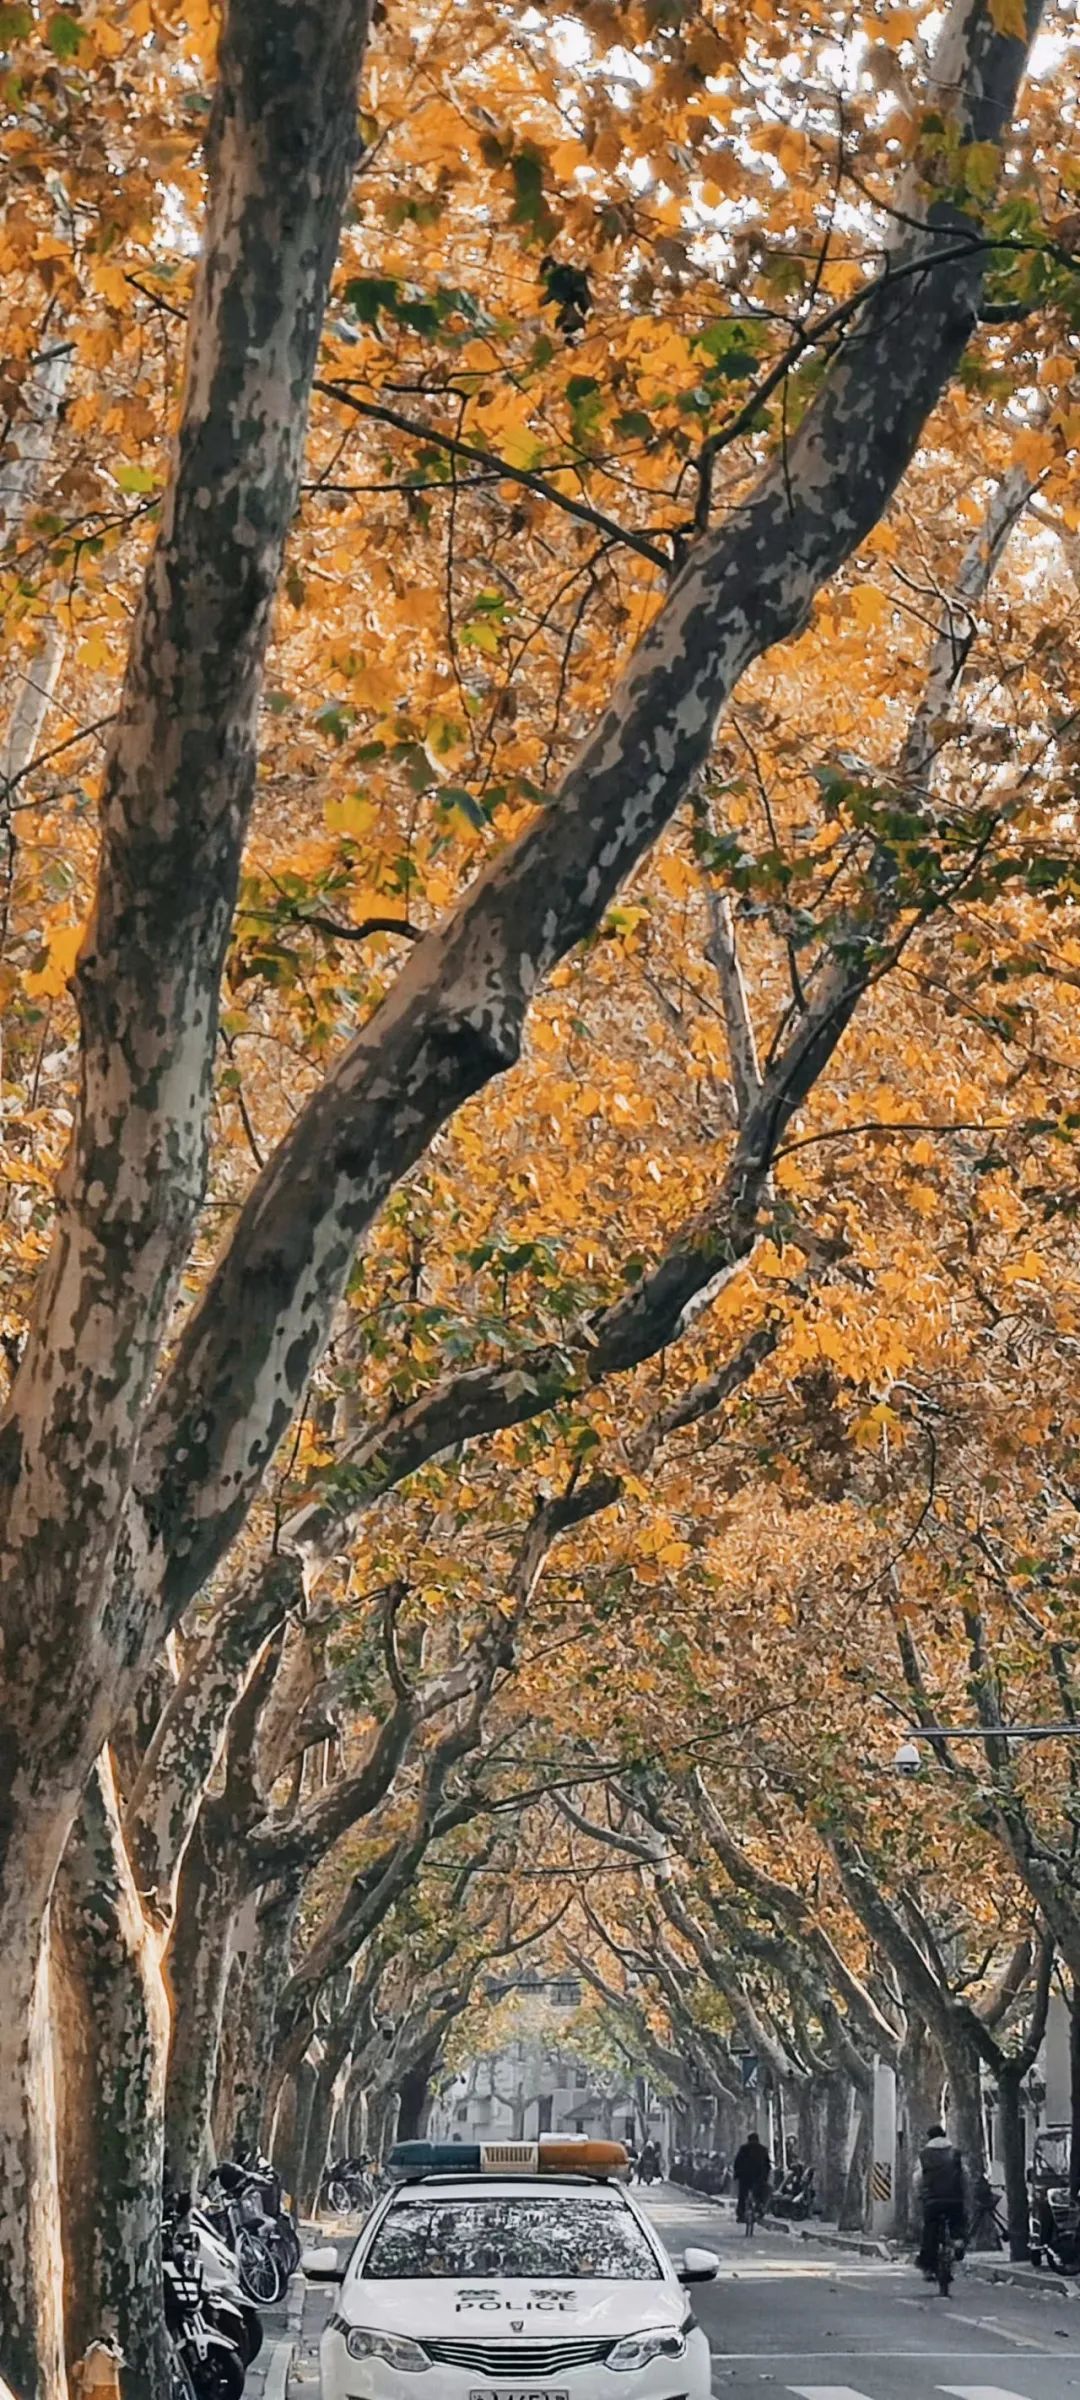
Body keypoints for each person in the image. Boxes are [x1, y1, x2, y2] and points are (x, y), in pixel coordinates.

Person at [914, 2123, 968, 2274]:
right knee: (957, 2222)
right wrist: (963, 2193)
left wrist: (920, 2194)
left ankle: (928, 2265)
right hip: (955, 2199)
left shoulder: (924, 2155)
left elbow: (918, 2178)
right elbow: (965, 2174)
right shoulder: (955, 2153)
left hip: (933, 2200)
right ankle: (958, 2242)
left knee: (930, 2228)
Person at [733, 2129, 771, 2223]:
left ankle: (741, 2215)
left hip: (745, 2177)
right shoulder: (763, 2149)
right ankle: (760, 2209)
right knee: (762, 2193)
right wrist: (765, 2177)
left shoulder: (743, 2148)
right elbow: (768, 2165)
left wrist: (736, 2174)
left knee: (742, 2196)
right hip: (759, 2178)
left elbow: (737, 2163)